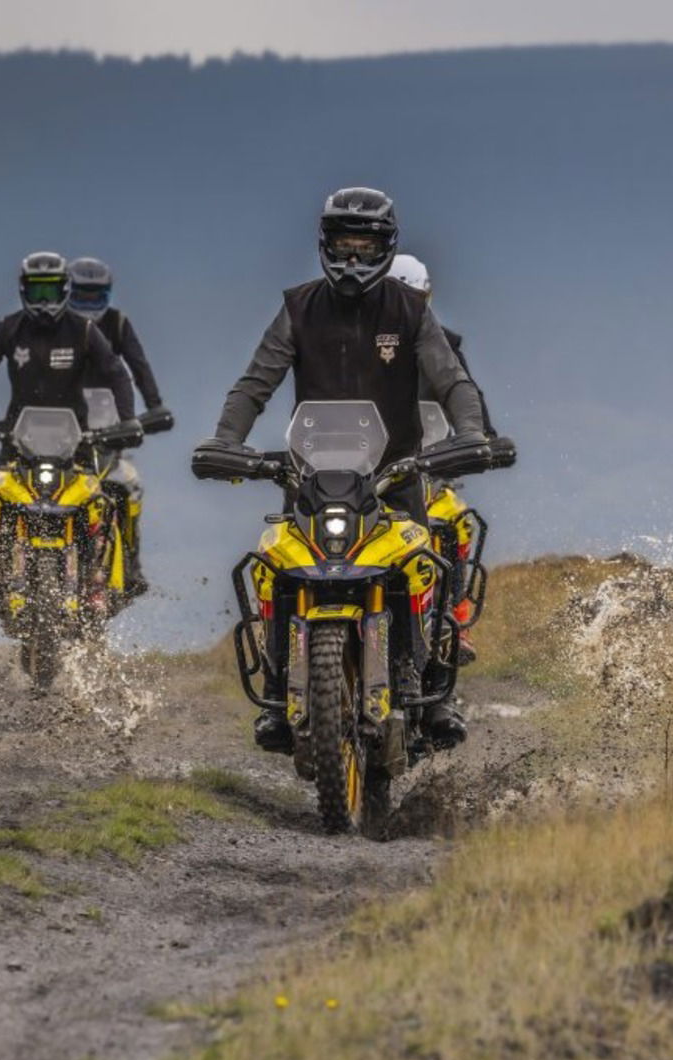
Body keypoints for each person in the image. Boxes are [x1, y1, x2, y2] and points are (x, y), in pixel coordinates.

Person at [196, 187, 495, 753]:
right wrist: (225, 441)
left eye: (365, 246)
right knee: (277, 570)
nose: (353, 258)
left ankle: (433, 690)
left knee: (422, 564)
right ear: (324, 245)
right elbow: (254, 385)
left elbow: (453, 381)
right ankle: (282, 696)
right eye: (343, 245)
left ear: (386, 247)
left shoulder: (411, 312)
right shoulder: (297, 308)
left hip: (396, 479)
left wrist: (471, 434)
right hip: (311, 483)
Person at [0, 252, 141, 612]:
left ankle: (97, 585)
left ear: (65, 290)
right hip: (16, 442)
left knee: (97, 504)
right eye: (36, 292)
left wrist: (127, 420)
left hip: (77, 443)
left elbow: (117, 373)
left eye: (51, 292)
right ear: (23, 290)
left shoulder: (84, 331)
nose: (44, 301)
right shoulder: (9, 328)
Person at [389, 253, 496, 665]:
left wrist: (484, 437)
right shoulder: (347, 344)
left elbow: (465, 393)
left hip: (424, 473)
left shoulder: (444, 345)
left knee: (452, 520)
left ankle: (455, 620)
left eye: (418, 299)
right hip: (357, 477)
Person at [68, 256, 172, 595]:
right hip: (61, 429)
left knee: (130, 485)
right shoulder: (57, 326)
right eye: (81, 294)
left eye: (95, 295)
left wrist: (154, 408)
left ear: (108, 293)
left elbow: (139, 367)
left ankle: (131, 563)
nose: (87, 303)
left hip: (108, 430)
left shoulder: (119, 323)